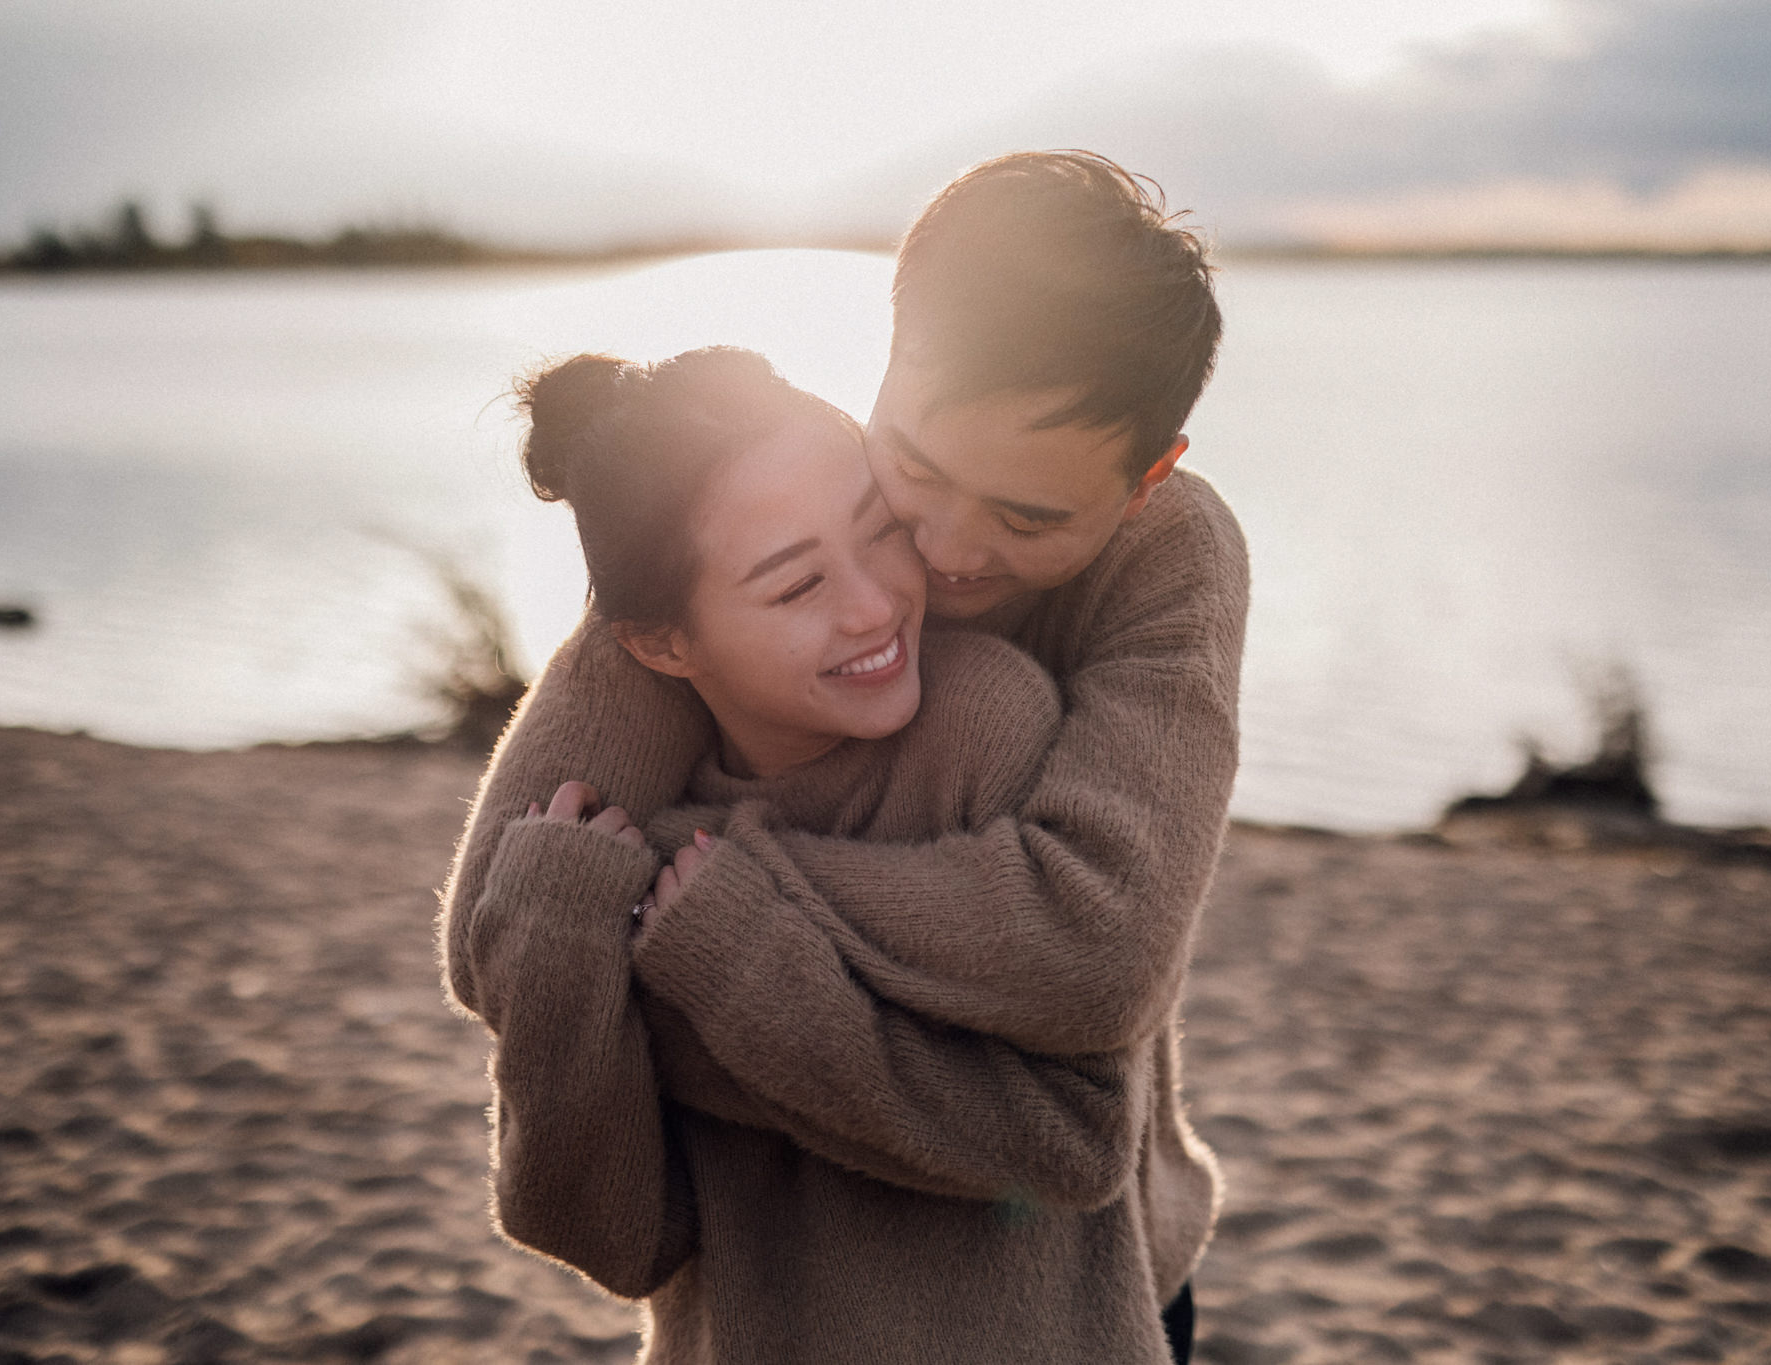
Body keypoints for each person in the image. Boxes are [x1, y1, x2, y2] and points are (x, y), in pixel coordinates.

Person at [444, 151, 1248, 1361]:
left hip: (1091, 1277)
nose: (942, 552)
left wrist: (694, 902)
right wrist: (617, 932)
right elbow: (503, 923)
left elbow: (1092, 949)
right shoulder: (772, 509)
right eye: (915, 468)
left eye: (1028, 519)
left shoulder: (1165, 563)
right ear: (882, 361)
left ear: (1146, 479)